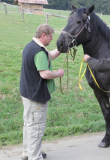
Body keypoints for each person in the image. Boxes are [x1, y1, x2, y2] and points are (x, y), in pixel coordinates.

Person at [20, 24, 64, 160]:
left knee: (29, 125)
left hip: (27, 93)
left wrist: (60, 50)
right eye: (50, 36)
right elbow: (44, 74)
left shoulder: (31, 46)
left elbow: (48, 56)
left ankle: (27, 153)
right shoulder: (39, 51)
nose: (52, 39)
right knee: (37, 128)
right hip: (36, 96)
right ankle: (35, 156)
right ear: (43, 35)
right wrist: (58, 73)